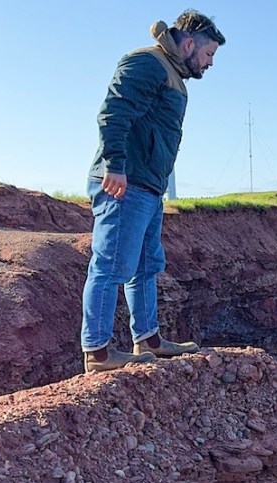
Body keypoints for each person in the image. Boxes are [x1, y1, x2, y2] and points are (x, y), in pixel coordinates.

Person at [81, 10, 226, 373]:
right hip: (124, 182)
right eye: (208, 54)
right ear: (189, 43)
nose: (209, 64)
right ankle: (97, 352)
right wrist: (115, 164)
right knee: (110, 264)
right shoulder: (147, 62)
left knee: (145, 266)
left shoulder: (172, 74)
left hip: (148, 186)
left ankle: (148, 338)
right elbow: (114, 112)